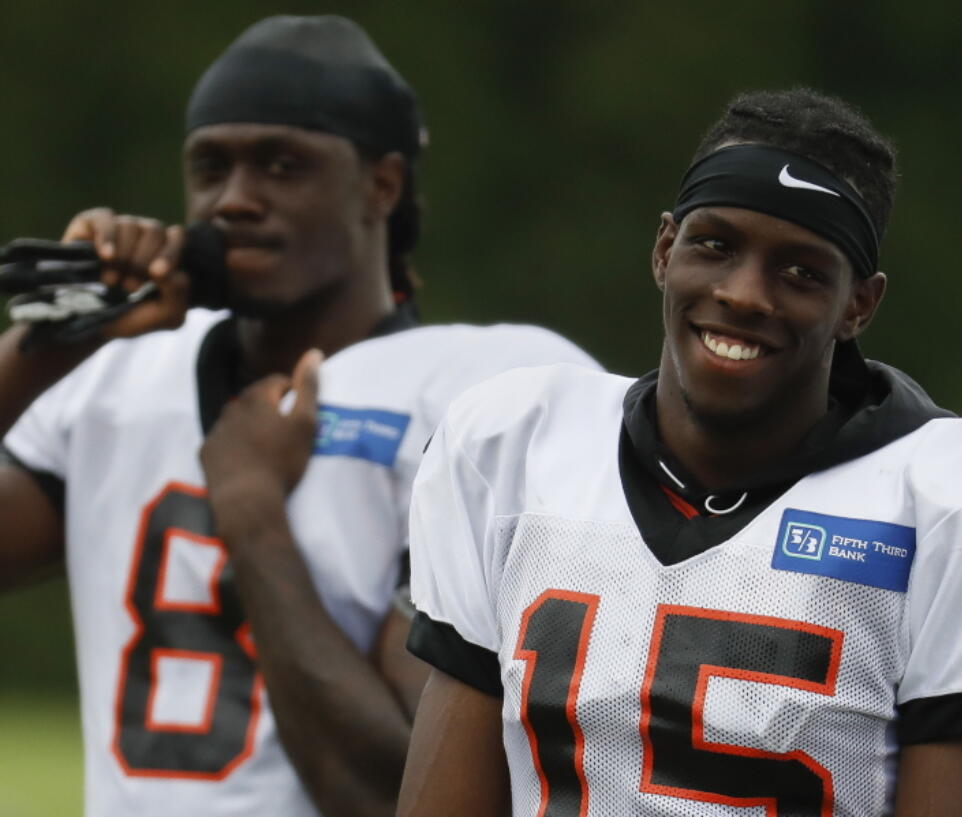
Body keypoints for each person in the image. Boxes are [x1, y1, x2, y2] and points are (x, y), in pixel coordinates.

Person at [395, 88, 962, 817]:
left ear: (858, 304)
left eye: (801, 271)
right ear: (665, 249)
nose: (744, 294)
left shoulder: (961, 505)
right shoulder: (516, 446)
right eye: (716, 245)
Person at [0, 15, 596, 817]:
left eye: (283, 165)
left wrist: (252, 513)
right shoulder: (115, 375)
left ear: (380, 186)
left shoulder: (473, 399)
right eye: (211, 166)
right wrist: (54, 343)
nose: (235, 199)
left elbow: (396, 793)